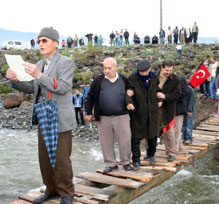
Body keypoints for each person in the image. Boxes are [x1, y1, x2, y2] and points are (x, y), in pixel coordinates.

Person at [6, 27, 76, 204]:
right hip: (44, 116)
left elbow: (63, 87)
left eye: (44, 40)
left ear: (55, 43)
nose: (40, 44)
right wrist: (16, 81)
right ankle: (51, 190)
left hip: (60, 117)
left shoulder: (66, 62)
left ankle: (67, 193)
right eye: (39, 41)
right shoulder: (39, 64)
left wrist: (39, 75)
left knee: (61, 160)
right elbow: (32, 89)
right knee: (44, 159)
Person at [85, 57, 132, 172]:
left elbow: (130, 93)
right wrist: (88, 112)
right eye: (105, 68)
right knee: (105, 141)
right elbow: (90, 97)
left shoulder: (124, 79)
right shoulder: (98, 80)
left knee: (125, 140)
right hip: (103, 117)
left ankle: (125, 162)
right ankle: (111, 164)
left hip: (122, 116)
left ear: (116, 68)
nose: (107, 70)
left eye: (109, 68)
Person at [126, 60, 162, 170]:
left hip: (152, 113)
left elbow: (157, 89)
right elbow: (128, 92)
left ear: (149, 69)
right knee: (135, 139)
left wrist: (160, 98)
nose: (142, 74)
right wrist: (129, 102)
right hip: (138, 113)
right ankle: (136, 160)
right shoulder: (132, 78)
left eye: (145, 72)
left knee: (152, 137)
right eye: (140, 72)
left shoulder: (154, 77)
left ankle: (151, 155)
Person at [157, 60, 182, 161]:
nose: (168, 72)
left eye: (171, 70)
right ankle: (150, 153)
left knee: (169, 131)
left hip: (168, 109)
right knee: (151, 131)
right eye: (167, 70)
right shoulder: (154, 77)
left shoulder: (176, 79)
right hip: (155, 109)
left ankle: (171, 153)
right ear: (162, 67)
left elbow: (177, 94)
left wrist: (165, 97)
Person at [174, 76, 188, 151]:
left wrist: (174, 95)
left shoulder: (181, 79)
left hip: (179, 107)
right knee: (175, 128)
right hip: (172, 108)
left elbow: (185, 92)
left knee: (177, 128)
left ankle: (175, 147)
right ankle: (180, 145)